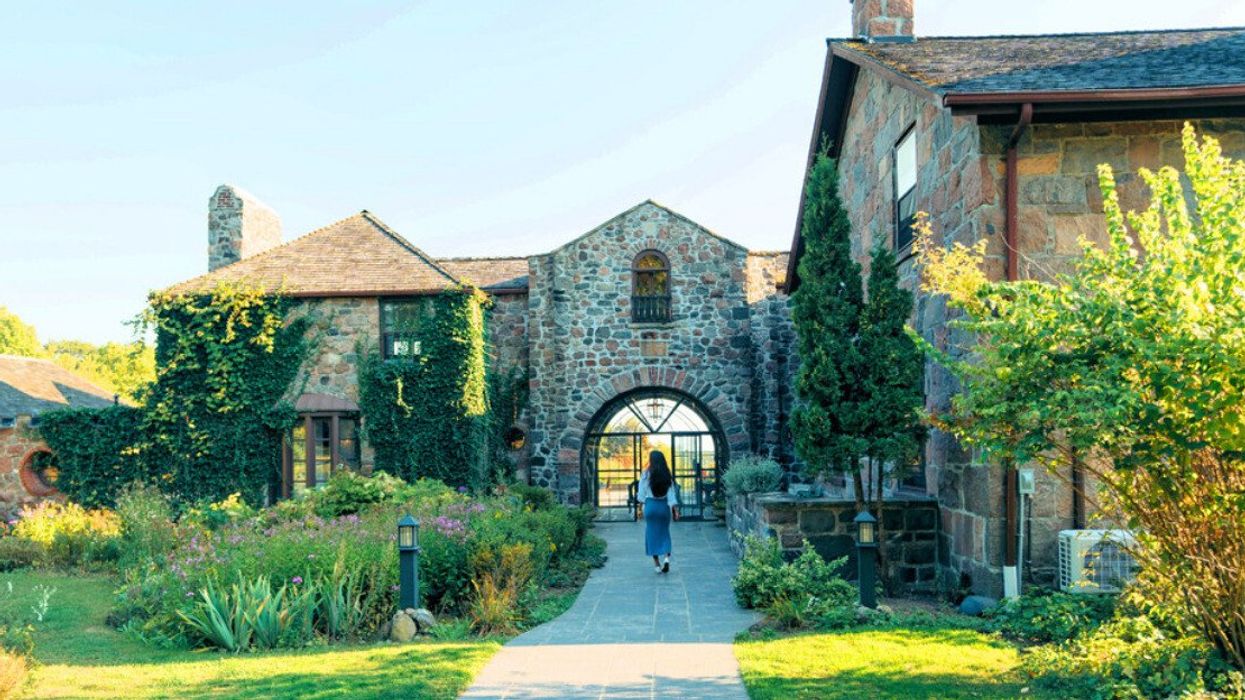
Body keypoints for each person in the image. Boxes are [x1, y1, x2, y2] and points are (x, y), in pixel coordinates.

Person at [638, 450, 679, 574]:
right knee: (665, 533)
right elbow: (672, 495)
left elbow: (641, 495)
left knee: (652, 535)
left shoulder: (645, 474)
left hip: (650, 507)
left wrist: (639, 509)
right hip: (663, 507)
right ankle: (666, 559)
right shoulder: (667, 474)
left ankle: (656, 565)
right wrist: (675, 510)